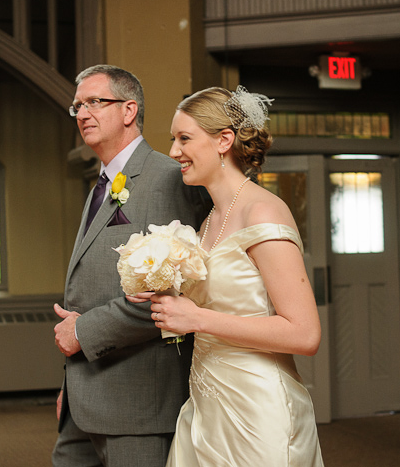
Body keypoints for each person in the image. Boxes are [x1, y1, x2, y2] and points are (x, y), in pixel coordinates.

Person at [128, 86, 325, 466]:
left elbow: (305, 334)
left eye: (184, 138)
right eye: (173, 139)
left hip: (258, 410)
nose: (173, 152)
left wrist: (196, 318)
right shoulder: (207, 223)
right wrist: (160, 292)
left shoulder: (263, 213)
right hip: (205, 406)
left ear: (224, 140)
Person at [52, 65, 207, 467]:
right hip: (85, 395)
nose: (82, 113)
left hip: (137, 402)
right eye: (77, 106)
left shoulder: (169, 178)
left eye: (94, 102)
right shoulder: (101, 185)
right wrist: (71, 385)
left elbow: (173, 291)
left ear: (128, 110)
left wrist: (81, 332)